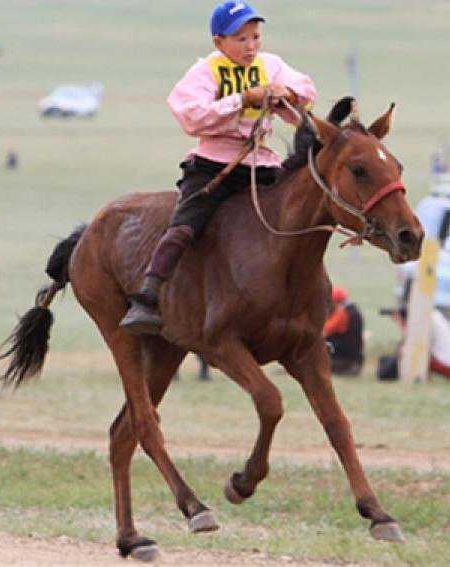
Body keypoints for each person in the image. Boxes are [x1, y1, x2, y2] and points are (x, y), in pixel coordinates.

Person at [120, 1, 317, 335]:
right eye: (240, 39)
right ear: (218, 42)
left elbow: (307, 91)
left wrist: (290, 92)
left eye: (255, 36)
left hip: (263, 162)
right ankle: (148, 295)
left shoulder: (271, 64)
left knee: (303, 218)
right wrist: (243, 99)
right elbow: (190, 115)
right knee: (186, 224)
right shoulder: (205, 71)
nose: (251, 45)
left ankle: (305, 313)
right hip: (214, 165)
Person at [379, 307, 450, 381]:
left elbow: (410, 342)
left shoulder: (425, 319)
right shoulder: (435, 315)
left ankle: (414, 377)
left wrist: (401, 324)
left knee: (407, 351)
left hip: (447, 365)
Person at [324, 287, 365, 376]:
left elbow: (324, 331)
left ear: (335, 302)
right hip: (355, 362)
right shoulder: (354, 311)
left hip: (345, 364)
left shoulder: (342, 313)